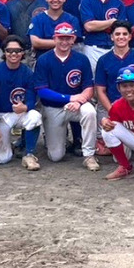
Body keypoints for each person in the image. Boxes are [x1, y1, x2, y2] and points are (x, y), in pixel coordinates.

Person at [33, 23, 100, 171]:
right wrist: (70, 99)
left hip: (76, 105)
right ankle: (55, 138)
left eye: (68, 38)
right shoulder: (44, 59)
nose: (64, 42)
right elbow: (42, 91)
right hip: (53, 107)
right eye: (61, 38)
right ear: (54, 38)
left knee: (90, 111)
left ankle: (89, 155)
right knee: (56, 156)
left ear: (73, 39)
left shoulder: (81, 59)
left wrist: (80, 101)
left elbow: (89, 88)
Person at [0, 36, 43, 170]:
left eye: (18, 51)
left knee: (34, 116)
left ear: (22, 53)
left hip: (18, 113)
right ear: (4, 52)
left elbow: (32, 99)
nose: (14, 54)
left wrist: (26, 107)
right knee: (4, 158)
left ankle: (29, 154)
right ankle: (12, 145)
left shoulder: (27, 72)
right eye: (10, 50)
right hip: (0, 115)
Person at [94, 21, 134, 112]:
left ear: (130, 37)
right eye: (117, 34)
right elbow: (100, 91)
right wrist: (113, 111)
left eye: (125, 34)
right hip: (110, 106)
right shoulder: (103, 60)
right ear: (112, 37)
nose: (121, 37)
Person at [79, 0, 122, 69]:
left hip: (113, 48)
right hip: (92, 49)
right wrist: (112, 22)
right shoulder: (87, 1)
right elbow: (89, 26)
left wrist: (99, 25)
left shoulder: (118, 3)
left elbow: (121, 27)